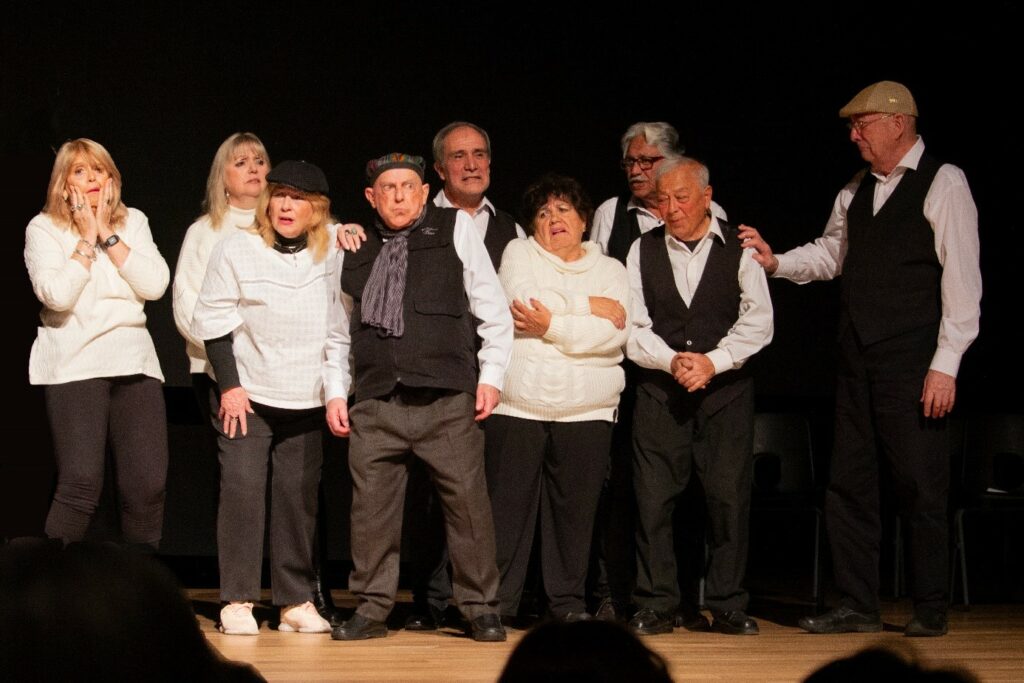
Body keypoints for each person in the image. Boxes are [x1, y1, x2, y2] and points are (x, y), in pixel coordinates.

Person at [738, 81, 982, 637]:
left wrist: (946, 362)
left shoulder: (943, 181)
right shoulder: (856, 189)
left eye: (861, 124)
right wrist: (776, 263)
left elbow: (963, 281)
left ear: (898, 122)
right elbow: (831, 254)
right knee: (849, 482)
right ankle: (856, 603)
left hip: (915, 359)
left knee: (920, 483)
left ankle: (929, 605)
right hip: (857, 358)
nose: (853, 136)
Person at [325, 153, 512, 642]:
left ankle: (481, 608)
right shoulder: (353, 245)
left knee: (468, 507)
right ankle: (370, 607)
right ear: (371, 197)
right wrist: (334, 392)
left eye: (409, 186)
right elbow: (337, 331)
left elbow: (491, 306)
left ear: (425, 191)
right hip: (376, 399)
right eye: (388, 188)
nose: (400, 195)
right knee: (370, 512)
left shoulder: (455, 229)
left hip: (445, 400)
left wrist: (491, 375)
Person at [626, 157, 773, 636]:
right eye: (662, 199)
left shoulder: (741, 248)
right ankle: (657, 603)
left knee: (728, 499)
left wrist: (714, 361)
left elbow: (759, 322)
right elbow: (634, 324)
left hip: (725, 393)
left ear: (707, 197)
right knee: (653, 501)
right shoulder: (641, 249)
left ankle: (728, 602)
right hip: (660, 392)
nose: (670, 208)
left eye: (681, 197)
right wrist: (672, 361)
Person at [586, 122, 726, 626]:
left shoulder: (716, 220)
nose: (638, 171)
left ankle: (690, 596)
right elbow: (596, 274)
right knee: (628, 491)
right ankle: (619, 593)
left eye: (648, 162)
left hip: (702, 376)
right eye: (631, 163)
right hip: (632, 370)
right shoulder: (610, 214)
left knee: (699, 493)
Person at [191, 160, 339, 636]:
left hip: (308, 395)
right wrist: (230, 385)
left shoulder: (334, 249)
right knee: (242, 492)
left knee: (297, 500)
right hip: (247, 395)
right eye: (279, 195)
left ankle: (295, 601)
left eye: (298, 199)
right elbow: (214, 320)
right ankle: (237, 600)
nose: (286, 206)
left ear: (317, 209)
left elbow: (344, 325)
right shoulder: (237, 248)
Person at [486, 173, 630, 622]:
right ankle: (498, 604)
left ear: (584, 221)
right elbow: (526, 301)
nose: (554, 219)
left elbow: (612, 335)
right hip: (518, 405)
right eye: (544, 213)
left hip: (587, 411)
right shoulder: (518, 252)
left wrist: (552, 325)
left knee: (574, 518)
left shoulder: (612, 270)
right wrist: (588, 306)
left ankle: (566, 605)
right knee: (506, 514)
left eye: (564, 209)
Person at [403, 121, 526, 631]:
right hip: (434, 373)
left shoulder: (513, 230)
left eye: (479, 154)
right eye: (459, 156)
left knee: (478, 494)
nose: (471, 165)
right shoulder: (418, 220)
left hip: (491, 373)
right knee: (428, 495)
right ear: (438, 170)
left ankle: (479, 603)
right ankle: (428, 602)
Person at [24, 138, 170, 549]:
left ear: (112, 178)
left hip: (134, 362)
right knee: (81, 484)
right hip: (75, 363)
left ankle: (138, 593)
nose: (92, 179)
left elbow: (156, 284)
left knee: (147, 487)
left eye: (99, 170)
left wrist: (106, 231)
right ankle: (49, 592)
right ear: (64, 183)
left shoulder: (133, 222)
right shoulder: (44, 228)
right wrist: (85, 239)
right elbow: (56, 296)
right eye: (80, 171)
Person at [173, 132, 269, 417]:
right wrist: (227, 355)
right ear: (222, 178)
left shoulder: (285, 227)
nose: (253, 168)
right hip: (216, 369)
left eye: (260, 161)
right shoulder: (204, 232)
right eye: (241, 162)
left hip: (276, 374)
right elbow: (186, 303)